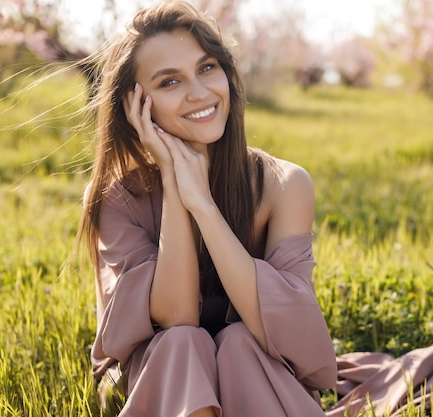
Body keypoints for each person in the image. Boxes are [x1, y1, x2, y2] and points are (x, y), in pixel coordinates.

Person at [77, 1, 338, 416]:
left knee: (238, 344)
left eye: (207, 68)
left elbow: (290, 331)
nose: (199, 93)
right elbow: (177, 315)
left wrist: (203, 205)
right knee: (183, 342)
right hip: (156, 377)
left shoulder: (283, 184)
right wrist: (173, 182)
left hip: (258, 369)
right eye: (169, 82)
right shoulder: (117, 197)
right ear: (135, 106)